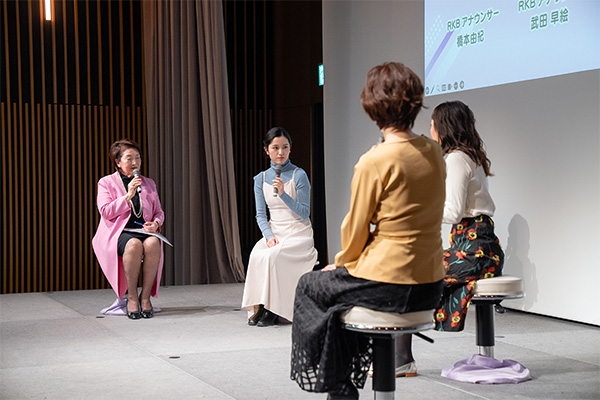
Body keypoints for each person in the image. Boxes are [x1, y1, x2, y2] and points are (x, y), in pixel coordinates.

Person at [290, 62, 446, 399]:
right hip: (431, 283)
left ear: (371, 105)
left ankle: (340, 389)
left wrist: (341, 264)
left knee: (310, 285)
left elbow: (356, 229)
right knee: (336, 302)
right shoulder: (434, 151)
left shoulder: (375, 160)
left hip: (389, 282)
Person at [430, 101, 504, 331]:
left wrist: (421, 214)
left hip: (473, 252)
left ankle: (401, 349)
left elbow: (452, 212)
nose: (430, 131)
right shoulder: (473, 156)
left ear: (443, 127)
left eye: (432, 125)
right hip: (485, 250)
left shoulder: (456, 159)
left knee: (410, 269)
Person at [241, 127, 318, 327]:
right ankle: (260, 306)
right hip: (275, 231)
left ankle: (272, 310)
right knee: (257, 255)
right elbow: (260, 215)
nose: (281, 152)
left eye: (285, 147)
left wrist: (283, 194)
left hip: (298, 232)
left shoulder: (299, 175)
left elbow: (304, 212)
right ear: (266, 150)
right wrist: (268, 236)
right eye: (275, 148)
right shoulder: (260, 179)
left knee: (273, 256)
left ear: (290, 148)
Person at [92, 139, 165, 320]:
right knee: (133, 245)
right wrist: (128, 195)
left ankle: (145, 298)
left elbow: (159, 212)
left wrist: (156, 224)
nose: (135, 162)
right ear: (118, 162)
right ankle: (131, 297)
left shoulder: (148, 183)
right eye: (129, 158)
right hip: (119, 233)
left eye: (138, 158)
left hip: (143, 230)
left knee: (153, 242)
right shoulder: (106, 182)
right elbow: (106, 211)